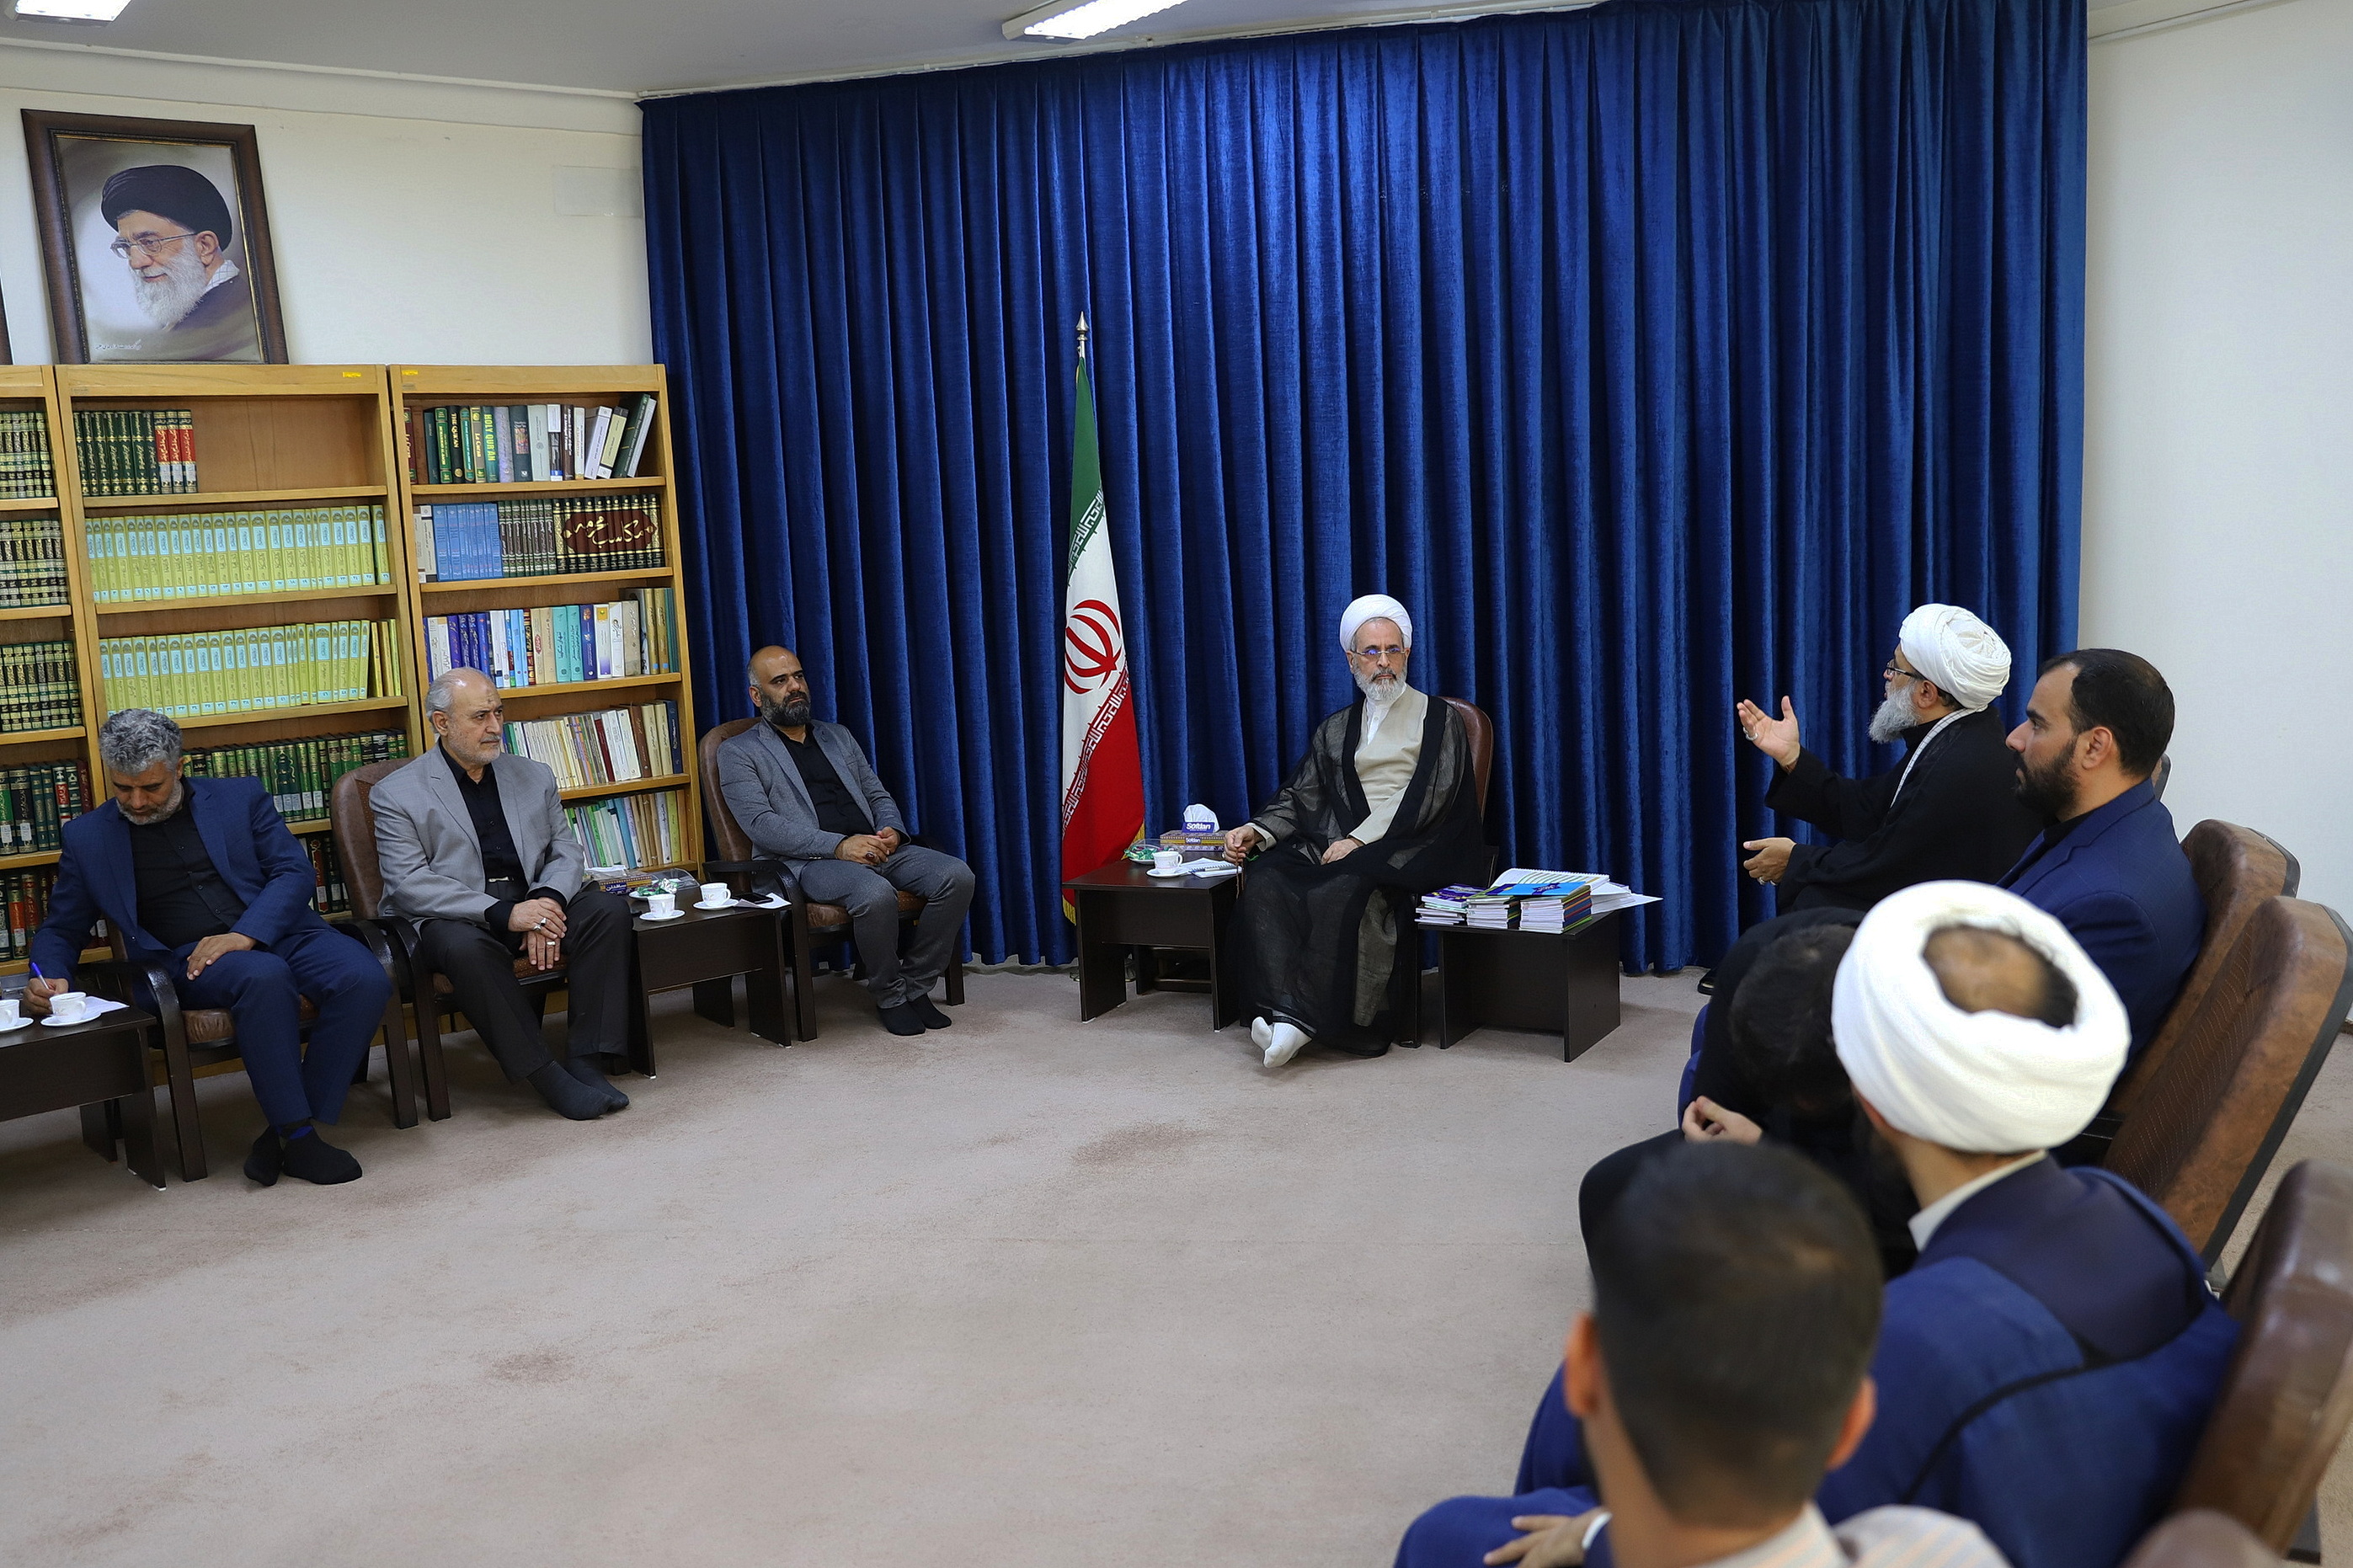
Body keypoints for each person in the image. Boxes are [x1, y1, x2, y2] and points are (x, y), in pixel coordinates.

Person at [1501, 883, 2237, 1568]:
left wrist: (1597, 1536)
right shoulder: (2131, 1210)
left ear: (1872, 1103)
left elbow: (1781, 1541)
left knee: (1463, 1522)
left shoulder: (1914, 1340)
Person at [1397, 1143, 2008, 1568]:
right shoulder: (1946, 1548)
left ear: (1582, 1368)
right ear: (1853, 1422)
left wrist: (1602, 1536)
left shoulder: (1439, 1544)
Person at [27, 709, 390, 1186]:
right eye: (123, 788)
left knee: (365, 977)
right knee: (262, 976)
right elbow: (62, 928)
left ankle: (283, 1132)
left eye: (151, 788)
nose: (136, 801)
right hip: (188, 962)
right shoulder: (88, 837)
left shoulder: (240, 797)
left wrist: (245, 933)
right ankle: (300, 1138)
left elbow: (293, 871)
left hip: (284, 933)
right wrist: (47, 974)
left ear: (180, 767)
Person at [1220, 594, 1488, 1066]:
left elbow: (1429, 794)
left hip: (1416, 839)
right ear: (1352, 659)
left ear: (1407, 654)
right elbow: (1302, 795)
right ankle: (1283, 1010)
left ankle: (1309, 1023)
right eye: (1371, 652)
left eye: (1392, 650)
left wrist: (1359, 840)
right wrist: (1255, 831)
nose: (1383, 662)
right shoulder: (1336, 728)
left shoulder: (1439, 718)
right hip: (1339, 837)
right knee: (1268, 876)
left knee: (1347, 883)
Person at [1583, 915, 1919, 1281]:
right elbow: (1712, 1118)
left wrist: (1769, 1153)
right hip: (1768, 1140)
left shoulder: (1924, 1011)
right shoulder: (1751, 964)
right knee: (1608, 1188)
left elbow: (1924, 1199)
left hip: (1888, 1158)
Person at [371, 668, 636, 1120]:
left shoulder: (533, 774)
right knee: (465, 949)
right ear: (441, 723)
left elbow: (565, 849)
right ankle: (546, 1074)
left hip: (534, 898)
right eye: (479, 717)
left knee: (608, 911)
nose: (495, 727)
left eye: (498, 713)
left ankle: (586, 1060)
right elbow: (409, 884)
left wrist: (548, 903)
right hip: (458, 918)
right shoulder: (396, 794)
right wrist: (506, 914)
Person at [716, 646, 975, 1037]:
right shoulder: (738, 751)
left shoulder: (837, 736)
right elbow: (761, 825)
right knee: (873, 894)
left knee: (957, 876)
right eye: (781, 681)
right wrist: (839, 846)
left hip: (876, 846)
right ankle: (890, 995)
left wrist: (892, 831)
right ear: (757, 696)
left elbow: (877, 795)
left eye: (799, 676)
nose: (795, 687)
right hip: (808, 863)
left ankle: (915, 985)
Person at [1736, 605, 2045, 911]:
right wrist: (1792, 757)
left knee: (1814, 908)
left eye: (1895, 669)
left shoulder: (1956, 763)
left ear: (1926, 693)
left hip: (1964, 932)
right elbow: (1868, 810)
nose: (1886, 674)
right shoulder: (1959, 735)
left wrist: (1795, 860)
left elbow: (1886, 868)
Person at [2002, 650, 2202, 1057]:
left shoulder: (2113, 907)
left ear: (2095, 746)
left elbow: (2033, 1063)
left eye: (2037, 724)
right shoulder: (2125, 821)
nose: (2015, 738)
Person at [98, 164, 261, 361]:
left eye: (150, 243)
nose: (136, 262)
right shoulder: (184, 314)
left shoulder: (233, 319)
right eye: (126, 246)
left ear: (204, 246)